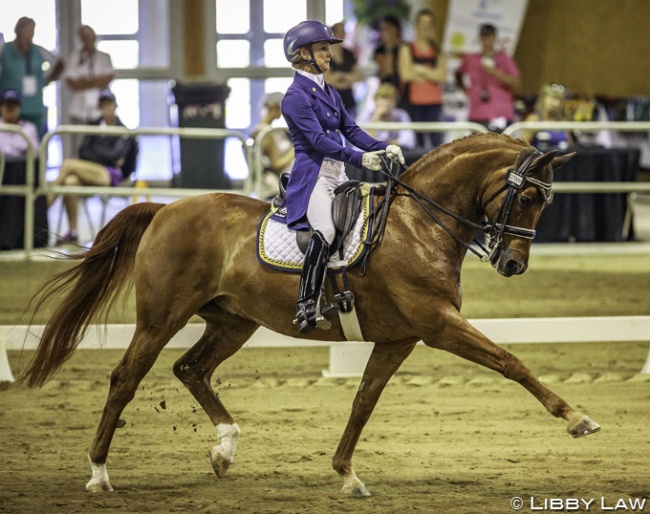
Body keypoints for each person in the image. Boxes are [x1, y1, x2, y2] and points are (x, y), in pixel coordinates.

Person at [281, 20, 405, 333]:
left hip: (338, 173)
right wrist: (359, 156)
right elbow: (318, 142)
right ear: (302, 53)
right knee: (325, 228)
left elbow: (350, 129)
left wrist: (383, 147)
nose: (329, 54)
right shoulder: (295, 97)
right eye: (323, 48)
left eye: (328, 48)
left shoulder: (330, 91)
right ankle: (306, 302)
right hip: (313, 176)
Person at [48, 89, 136, 245]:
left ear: (115, 105)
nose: (106, 106)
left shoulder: (123, 130)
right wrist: (101, 155)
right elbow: (84, 151)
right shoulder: (92, 126)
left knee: (68, 164)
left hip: (110, 175)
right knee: (69, 183)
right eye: (102, 103)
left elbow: (113, 156)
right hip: (90, 171)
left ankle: (45, 203)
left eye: (108, 103)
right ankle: (73, 232)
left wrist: (95, 154)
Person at [0, 17, 63, 136]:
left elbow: (59, 63)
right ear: (18, 30)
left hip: (34, 106)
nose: (29, 34)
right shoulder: (4, 49)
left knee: (33, 142)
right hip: (10, 105)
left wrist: (47, 80)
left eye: (32, 31)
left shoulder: (38, 51)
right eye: (26, 30)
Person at [454, 23, 520, 132]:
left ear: (495, 38)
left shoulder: (504, 58)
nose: (487, 40)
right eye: (484, 36)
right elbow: (458, 73)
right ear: (479, 38)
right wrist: (466, 90)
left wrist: (495, 72)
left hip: (501, 112)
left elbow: (516, 82)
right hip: (477, 112)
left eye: (489, 36)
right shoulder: (471, 58)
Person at [398, 8, 447, 149]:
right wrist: (431, 74)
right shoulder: (407, 47)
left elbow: (442, 76)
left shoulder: (437, 49)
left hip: (434, 103)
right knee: (416, 145)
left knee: (437, 145)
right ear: (416, 25)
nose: (426, 27)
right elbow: (406, 75)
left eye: (429, 23)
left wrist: (420, 69)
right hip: (414, 103)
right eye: (423, 23)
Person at [62, 25, 115, 155]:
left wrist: (85, 81)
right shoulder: (74, 58)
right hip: (79, 110)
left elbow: (107, 78)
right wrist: (95, 81)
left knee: (100, 144)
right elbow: (71, 82)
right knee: (80, 146)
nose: (87, 40)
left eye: (89, 37)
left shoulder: (104, 57)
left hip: (99, 110)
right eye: (84, 37)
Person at [250, 92, 295, 199]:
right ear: (275, 107)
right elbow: (276, 164)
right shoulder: (264, 133)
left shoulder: (275, 131)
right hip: (281, 182)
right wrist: (296, 149)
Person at [357, 83, 416, 149]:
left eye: (390, 99)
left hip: (396, 154)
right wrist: (375, 119)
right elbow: (362, 143)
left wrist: (384, 145)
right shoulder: (365, 115)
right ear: (375, 101)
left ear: (395, 102)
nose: (387, 102)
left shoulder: (401, 115)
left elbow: (408, 141)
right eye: (383, 98)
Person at [324, 22, 362, 118]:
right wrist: (346, 80)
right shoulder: (325, 54)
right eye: (339, 32)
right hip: (331, 102)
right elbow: (327, 79)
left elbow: (358, 76)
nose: (342, 34)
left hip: (348, 101)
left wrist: (339, 76)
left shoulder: (348, 54)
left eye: (343, 32)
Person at [520, 83, 575, 150]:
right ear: (543, 99)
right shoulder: (534, 120)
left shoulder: (563, 122)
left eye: (559, 100)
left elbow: (571, 148)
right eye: (553, 98)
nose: (556, 104)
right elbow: (521, 149)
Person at [0, 89, 39, 158]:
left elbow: (35, 156)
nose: (10, 109)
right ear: (1, 107)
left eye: (13, 106)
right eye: (8, 106)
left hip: (22, 167)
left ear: (19, 108)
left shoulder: (29, 128)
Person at [372, 15, 403, 89]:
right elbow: (386, 72)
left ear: (396, 29)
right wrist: (389, 48)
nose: (384, 32)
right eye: (382, 29)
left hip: (403, 89)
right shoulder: (379, 50)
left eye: (387, 29)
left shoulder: (404, 49)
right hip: (386, 89)